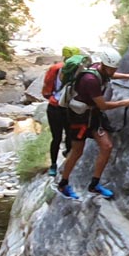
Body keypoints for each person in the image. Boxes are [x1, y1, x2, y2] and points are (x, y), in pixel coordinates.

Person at [56, 45, 129, 201]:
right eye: (112, 69)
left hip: (92, 115)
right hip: (79, 118)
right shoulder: (90, 80)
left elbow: (110, 76)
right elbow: (103, 105)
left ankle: (94, 184)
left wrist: (128, 76)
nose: (113, 71)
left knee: (107, 146)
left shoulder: (100, 69)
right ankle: (63, 183)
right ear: (105, 66)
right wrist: (124, 103)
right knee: (77, 152)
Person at [40, 46, 83, 179]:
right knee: (70, 135)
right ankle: (67, 158)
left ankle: (54, 165)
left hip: (54, 107)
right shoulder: (80, 70)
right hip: (70, 107)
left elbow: (46, 90)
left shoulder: (55, 69)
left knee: (56, 137)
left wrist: (52, 97)